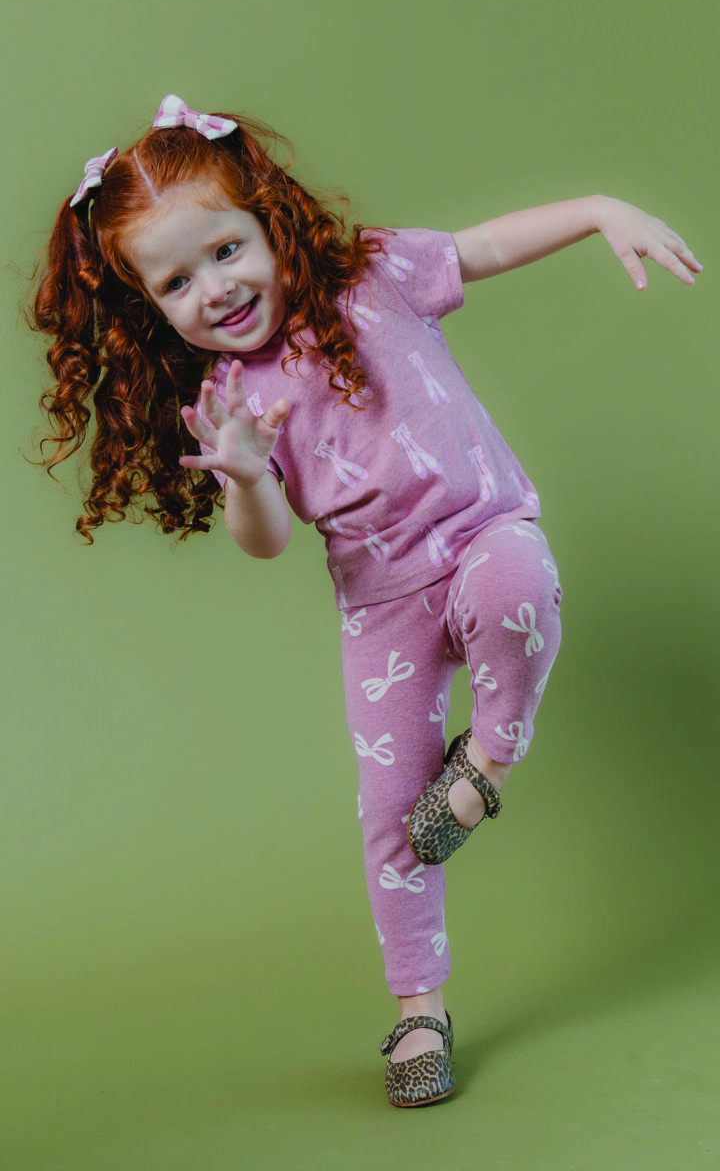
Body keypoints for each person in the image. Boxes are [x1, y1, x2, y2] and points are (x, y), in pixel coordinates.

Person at [27, 93, 702, 1107]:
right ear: (148, 305)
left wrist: (598, 208)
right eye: (174, 282)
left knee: (519, 585)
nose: (213, 289)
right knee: (391, 817)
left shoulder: (376, 275)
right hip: (382, 607)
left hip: (481, 533)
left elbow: (484, 246)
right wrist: (248, 476)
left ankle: (488, 759)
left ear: (267, 219)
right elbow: (266, 545)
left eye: (224, 251)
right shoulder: (226, 401)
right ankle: (419, 1005)